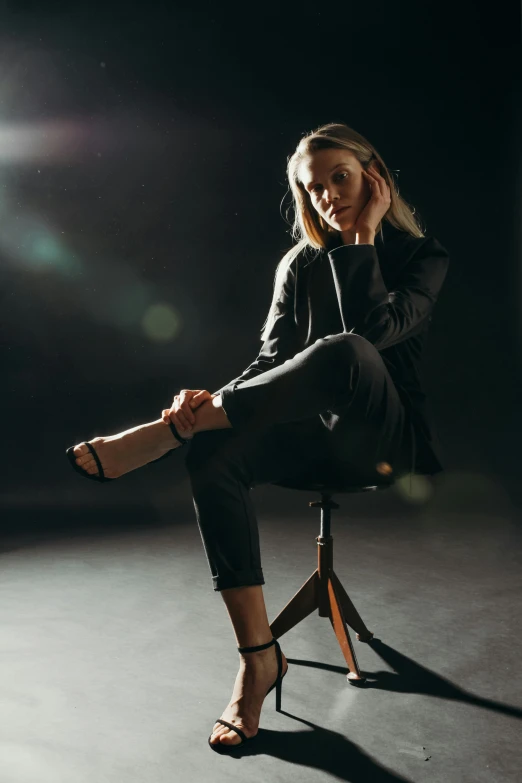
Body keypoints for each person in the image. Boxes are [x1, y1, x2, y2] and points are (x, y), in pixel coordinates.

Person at [66, 122, 450, 750]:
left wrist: (360, 239)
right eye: (314, 188)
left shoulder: (420, 256)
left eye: (340, 178)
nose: (327, 196)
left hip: (384, 441)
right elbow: (268, 363)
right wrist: (206, 402)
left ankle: (165, 435)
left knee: (347, 351)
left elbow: (373, 333)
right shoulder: (299, 263)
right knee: (214, 448)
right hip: (308, 437)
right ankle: (257, 659)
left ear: (373, 174)